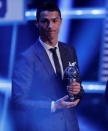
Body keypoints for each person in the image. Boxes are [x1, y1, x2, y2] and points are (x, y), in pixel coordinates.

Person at [11, 2, 84, 131]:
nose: (50, 26)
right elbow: (18, 101)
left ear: (60, 22)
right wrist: (53, 106)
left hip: (70, 126)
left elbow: (78, 88)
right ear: (37, 23)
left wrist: (78, 90)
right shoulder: (26, 57)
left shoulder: (69, 50)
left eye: (54, 20)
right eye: (45, 21)